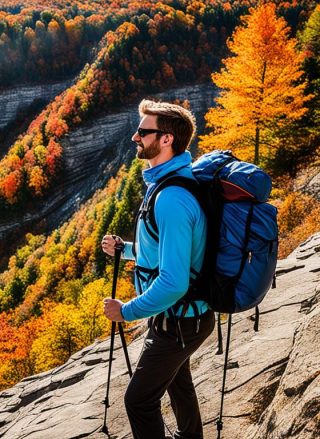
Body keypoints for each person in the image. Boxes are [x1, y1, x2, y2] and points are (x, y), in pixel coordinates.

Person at [101, 99, 214, 439]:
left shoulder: (171, 198)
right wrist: (129, 249)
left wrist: (126, 311)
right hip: (183, 317)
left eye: (143, 131)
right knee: (178, 383)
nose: (135, 137)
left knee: (138, 400)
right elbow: (169, 251)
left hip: (179, 320)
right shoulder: (167, 184)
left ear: (166, 139)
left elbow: (174, 281)